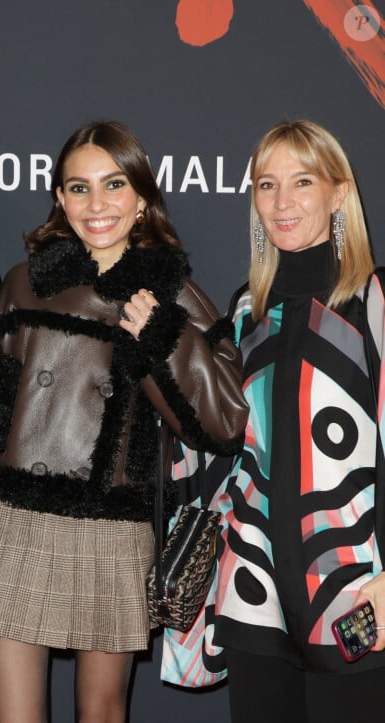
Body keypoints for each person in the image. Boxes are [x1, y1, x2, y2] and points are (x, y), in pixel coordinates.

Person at [0, 119, 247, 722]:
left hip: (111, 528)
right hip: (16, 523)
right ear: (59, 198)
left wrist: (160, 335)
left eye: (114, 184)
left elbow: (223, 423)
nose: (97, 204)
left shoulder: (173, 295)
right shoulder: (23, 282)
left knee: (103, 713)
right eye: (78, 187)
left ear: (141, 198)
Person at [214, 119, 385, 722]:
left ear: (339, 193)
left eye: (302, 181)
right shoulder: (245, 310)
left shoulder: (373, 300)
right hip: (253, 589)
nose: (281, 202)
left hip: (351, 588)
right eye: (266, 184)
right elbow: (227, 448)